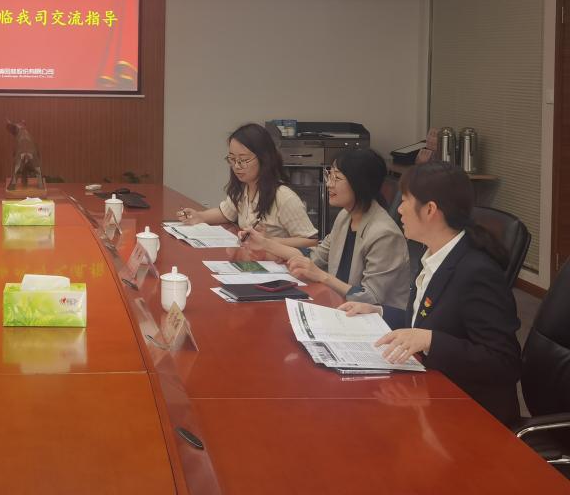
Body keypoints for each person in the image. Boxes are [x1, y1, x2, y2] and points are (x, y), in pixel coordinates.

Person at [340, 162, 521, 425]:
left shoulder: (476, 271)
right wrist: (378, 311)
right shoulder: (435, 255)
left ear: (430, 210)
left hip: (471, 413)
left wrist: (431, 341)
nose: (399, 209)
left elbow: (504, 363)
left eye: (404, 200)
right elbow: (426, 320)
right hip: (435, 391)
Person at [243, 148, 409, 308]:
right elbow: (316, 257)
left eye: (337, 178)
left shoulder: (384, 234)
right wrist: (264, 243)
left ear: (360, 183)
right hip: (341, 307)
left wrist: (322, 276)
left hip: (375, 321)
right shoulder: (345, 217)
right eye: (329, 175)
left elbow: (371, 298)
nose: (329, 184)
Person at [178, 122, 317, 247]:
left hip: (278, 262)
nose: (236, 166)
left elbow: (311, 241)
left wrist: (269, 241)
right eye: (232, 159)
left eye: (243, 160)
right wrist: (200, 217)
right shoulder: (243, 187)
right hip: (254, 256)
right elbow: (226, 213)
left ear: (264, 158)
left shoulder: (284, 197)